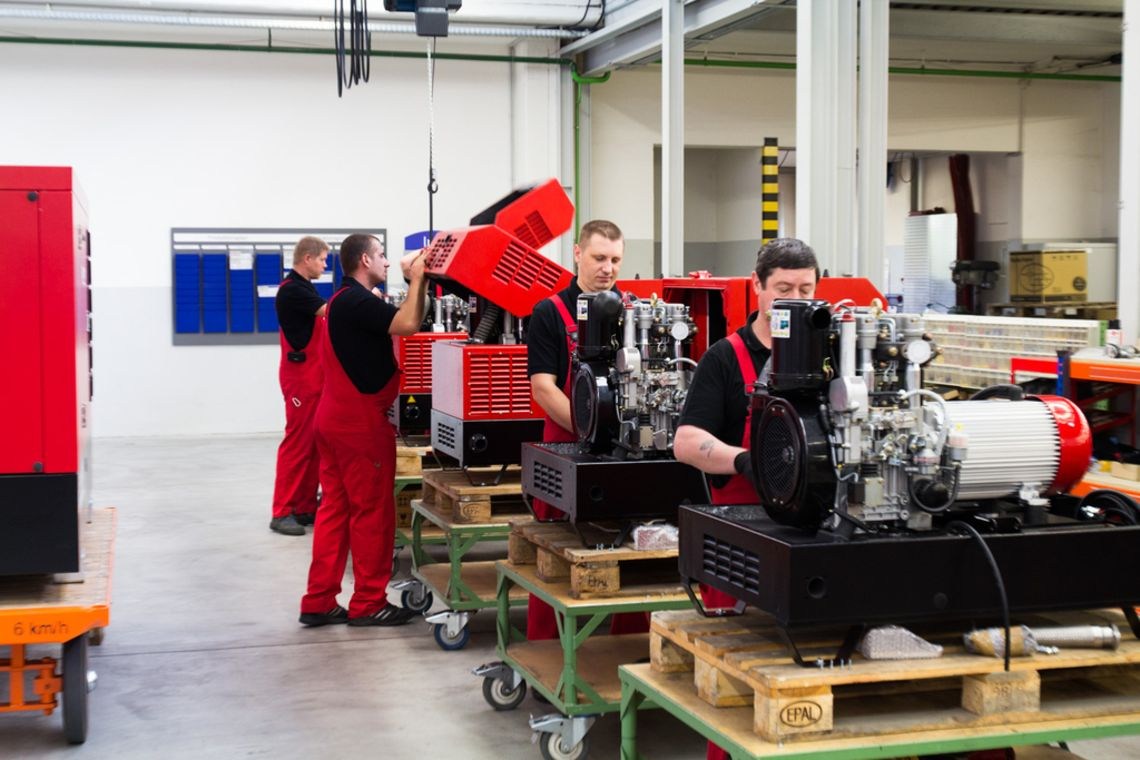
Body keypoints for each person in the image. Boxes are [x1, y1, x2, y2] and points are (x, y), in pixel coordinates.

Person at [672, 237, 819, 760]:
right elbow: (685, 441)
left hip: (812, 535)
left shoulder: (829, 355)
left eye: (805, 289)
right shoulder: (726, 358)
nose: (794, 300)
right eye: (783, 289)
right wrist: (745, 461)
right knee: (733, 685)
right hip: (741, 539)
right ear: (756, 287)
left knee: (806, 675)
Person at [525, 219, 648, 640]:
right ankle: (545, 651)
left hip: (622, 454)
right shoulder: (549, 313)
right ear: (577, 254)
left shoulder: (632, 313)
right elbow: (544, 387)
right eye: (598, 257)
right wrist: (590, 430)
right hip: (566, 451)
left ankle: (627, 649)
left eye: (615, 259)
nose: (607, 268)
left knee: (630, 554)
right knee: (553, 558)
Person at [298, 233, 428, 627]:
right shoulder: (356, 300)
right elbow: (408, 324)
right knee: (372, 513)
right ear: (364, 261)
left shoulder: (343, 300)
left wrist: (415, 283)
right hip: (359, 424)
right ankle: (369, 602)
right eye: (381, 255)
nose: (387, 262)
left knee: (335, 511)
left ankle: (319, 600)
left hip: (334, 419)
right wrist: (418, 279)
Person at [270, 236, 330, 536]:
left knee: (314, 442)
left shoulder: (305, 287)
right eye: (322, 259)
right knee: (296, 444)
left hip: (314, 378)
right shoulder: (292, 290)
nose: (324, 265)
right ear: (307, 258)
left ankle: (305, 507)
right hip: (300, 379)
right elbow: (330, 312)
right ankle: (281, 511)